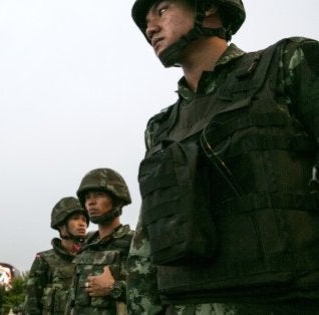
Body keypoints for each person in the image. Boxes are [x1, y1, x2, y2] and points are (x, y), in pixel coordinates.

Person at [128, 0, 319, 313]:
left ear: (210, 9)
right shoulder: (160, 128)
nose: (150, 28)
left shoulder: (287, 62)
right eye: (146, 20)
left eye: (162, 10)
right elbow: (148, 235)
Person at [66, 168, 133, 315]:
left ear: (117, 200)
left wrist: (113, 288)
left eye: (99, 195)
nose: (91, 202)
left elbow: (154, 297)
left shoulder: (135, 243)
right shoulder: (86, 246)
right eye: (88, 197)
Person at [25, 196, 88, 315]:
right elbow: (32, 305)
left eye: (84, 220)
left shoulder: (91, 259)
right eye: (75, 219)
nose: (82, 224)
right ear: (61, 224)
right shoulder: (44, 260)